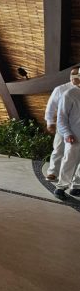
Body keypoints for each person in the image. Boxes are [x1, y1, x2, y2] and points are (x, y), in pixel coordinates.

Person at [44, 71, 76, 182]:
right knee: (59, 148)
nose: (75, 76)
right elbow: (51, 106)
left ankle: (72, 176)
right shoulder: (61, 89)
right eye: (73, 74)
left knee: (74, 152)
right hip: (63, 124)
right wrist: (50, 122)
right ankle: (52, 172)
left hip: (77, 125)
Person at [54, 68, 80, 200]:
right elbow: (61, 118)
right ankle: (60, 188)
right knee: (69, 161)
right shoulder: (69, 94)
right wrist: (67, 133)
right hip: (74, 136)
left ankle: (76, 186)